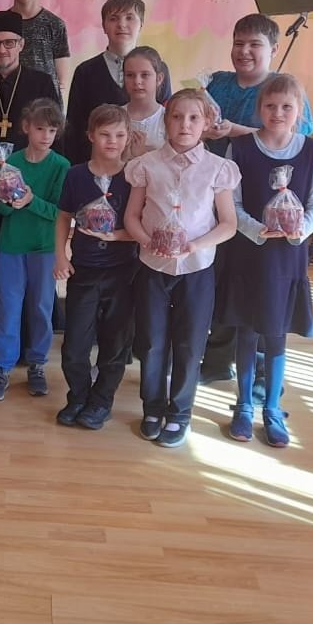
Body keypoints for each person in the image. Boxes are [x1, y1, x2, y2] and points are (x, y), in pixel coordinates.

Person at [200, 13, 313, 383]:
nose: (244, 51)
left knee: (268, 287)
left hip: (268, 205)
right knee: (222, 279)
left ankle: (264, 369)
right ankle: (217, 360)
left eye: (255, 45)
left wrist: (237, 131)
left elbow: (299, 139)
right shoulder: (217, 83)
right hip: (215, 197)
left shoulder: (284, 89)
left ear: (274, 49)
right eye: (239, 43)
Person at [124, 88, 240, 447]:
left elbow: (228, 224)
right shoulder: (147, 164)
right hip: (153, 266)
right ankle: (153, 406)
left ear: (206, 123)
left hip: (196, 268)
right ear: (166, 120)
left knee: (189, 343)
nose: (184, 124)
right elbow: (131, 216)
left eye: (193, 118)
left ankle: (179, 412)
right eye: (176, 117)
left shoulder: (217, 169)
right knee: (152, 341)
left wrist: (195, 246)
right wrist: (147, 241)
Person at [217, 74, 313, 447]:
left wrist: (298, 229)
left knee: (277, 332)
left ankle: (273, 408)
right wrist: (255, 229)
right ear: (259, 108)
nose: (277, 113)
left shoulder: (311, 152)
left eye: (286, 107)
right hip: (249, 253)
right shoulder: (240, 148)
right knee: (247, 330)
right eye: (270, 106)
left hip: (287, 258)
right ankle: (244, 404)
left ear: (299, 112)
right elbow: (230, 202)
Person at [0, 10, 60, 362]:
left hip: (32, 184)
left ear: (21, 44)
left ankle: (30, 342)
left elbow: (54, 132)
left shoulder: (41, 82)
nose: (1, 50)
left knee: (31, 267)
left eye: (8, 42)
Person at [54, 104, 138, 429]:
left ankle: (101, 401)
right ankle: (78, 396)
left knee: (115, 343)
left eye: (119, 135)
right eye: (105, 134)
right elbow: (64, 216)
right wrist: (60, 256)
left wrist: (116, 235)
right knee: (75, 344)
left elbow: (141, 225)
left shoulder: (133, 176)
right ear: (90, 135)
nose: (112, 141)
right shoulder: (76, 175)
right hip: (84, 270)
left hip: (123, 272)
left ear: (128, 137)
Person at [0, 98, 70, 402]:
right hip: (10, 247)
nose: (46, 135)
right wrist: (10, 200)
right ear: (26, 128)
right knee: (8, 308)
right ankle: (1, 367)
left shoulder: (61, 166)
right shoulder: (10, 163)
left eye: (52, 130)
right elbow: (2, 210)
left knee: (41, 308)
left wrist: (31, 200)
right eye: (40, 128)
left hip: (44, 248)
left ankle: (37, 364)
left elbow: (60, 212)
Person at [64, 0, 173, 165]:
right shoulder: (86, 71)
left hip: (149, 166)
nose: (121, 24)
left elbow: (167, 117)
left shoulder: (159, 68)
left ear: (141, 24)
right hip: (98, 166)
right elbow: (74, 128)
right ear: (104, 26)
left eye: (129, 18)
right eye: (113, 18)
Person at [8, 0, 72, 100]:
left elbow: (61, 80)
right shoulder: (0, 23)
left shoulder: (55, 24)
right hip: (8, 102)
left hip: (45, 103)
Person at [122, 46, 168, 159]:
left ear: (159, 78)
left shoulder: (168, 119)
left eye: (145, 75)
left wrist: (143, 155)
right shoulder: (114, 117)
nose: (137, 81)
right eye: (130, 75)